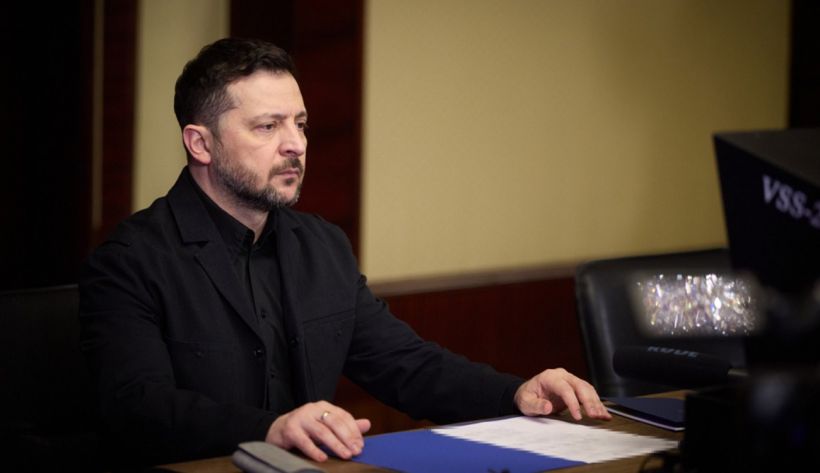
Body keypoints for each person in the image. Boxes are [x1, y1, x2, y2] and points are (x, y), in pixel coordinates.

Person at [79, 37, 610, 467]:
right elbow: (137, 408)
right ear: (201, 144)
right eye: (268, 126)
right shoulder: (130, 259)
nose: (295, 144)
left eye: (300, 123)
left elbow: (405, 364)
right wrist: (269, 428)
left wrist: (514, 394)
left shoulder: (321, 245)